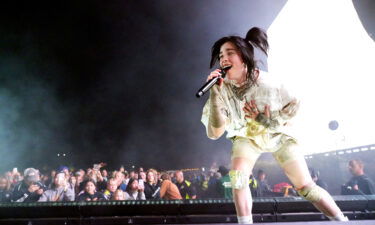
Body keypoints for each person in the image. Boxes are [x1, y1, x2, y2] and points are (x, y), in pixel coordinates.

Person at [201, 27, 348, 223]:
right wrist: (214, 94)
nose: (224, 59)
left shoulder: (268, 83)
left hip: (279, 135)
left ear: (244, 57)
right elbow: (215, 132)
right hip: (248, 135)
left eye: (230, 53)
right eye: (221, 56)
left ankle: (342, 220)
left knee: (306, 188)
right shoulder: (222, 88)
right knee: (238, 179)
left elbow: (295, 106)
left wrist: (265, 119)